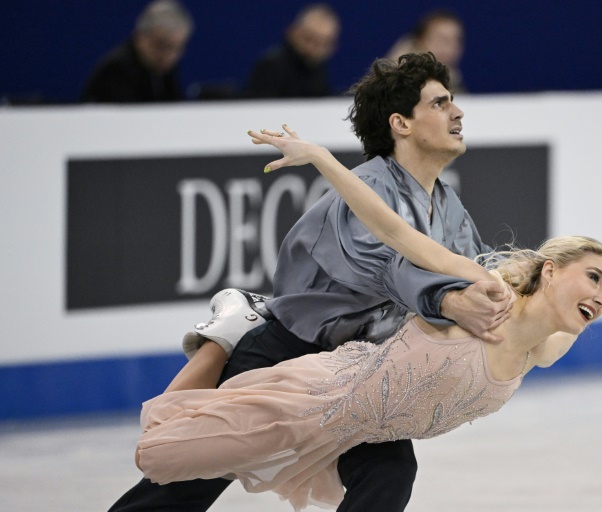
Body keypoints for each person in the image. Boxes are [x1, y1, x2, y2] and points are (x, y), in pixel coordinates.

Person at [108, 52, 511, 512]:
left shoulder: (446, 204)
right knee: (182, 485)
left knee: (390, 472)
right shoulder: (367, 189)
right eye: (439, 103)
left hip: (354, 373)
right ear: (400, 123)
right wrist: (450, 303)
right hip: (285, 353)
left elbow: (479, 265)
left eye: (452, 101)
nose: (457, 112)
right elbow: (387, 265)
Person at [134, 127, 602, 510]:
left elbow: (565, 318)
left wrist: (580, 304)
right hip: (317, 394)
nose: (601, 297)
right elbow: (394, 231)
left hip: (367, 430)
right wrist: (321, 158)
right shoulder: (486, 293)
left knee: (393, 478)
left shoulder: (543, 348)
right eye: (594, 278)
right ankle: (229, 333)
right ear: (550, 271)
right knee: (161, 457)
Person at [81, 0, 193, 103]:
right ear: (140, 36)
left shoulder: (164, 70)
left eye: (177, 48)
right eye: (161, 45)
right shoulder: (117, 70)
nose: (169, 55)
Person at [243, 4, 340, 99]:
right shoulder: (271, 67)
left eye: (323, 43)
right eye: (309, 39)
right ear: (293, 32)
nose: (313, 48)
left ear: (333, 47)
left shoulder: (318, 72)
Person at [387, 10, 467, 93]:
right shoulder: (395, 84)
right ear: (419, 41)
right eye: (442, 39)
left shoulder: (454, 80)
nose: (451, 46)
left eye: (457, 40)